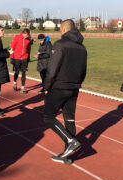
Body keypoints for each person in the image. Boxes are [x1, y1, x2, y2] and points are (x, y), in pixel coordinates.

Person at [43, 19, 87, 164]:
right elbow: (84, 71)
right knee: (69, 118)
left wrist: (47, 87)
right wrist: (77, 83)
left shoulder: (60, 45)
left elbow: (52, 69)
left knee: (48, 116)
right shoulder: (82, 48)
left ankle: (69, 140)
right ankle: (67, 154)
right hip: (74, 87)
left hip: (59, 87)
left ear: (63, 29)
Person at [10, 29, 32, 94]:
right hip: (17, 58)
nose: (28, 36)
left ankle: (22, 87)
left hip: (24, 58)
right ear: (24, 33)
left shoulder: (28, 40)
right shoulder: (17, 37)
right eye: (28, 35)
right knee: (16, 72)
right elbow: (12, 47)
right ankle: (14, 82)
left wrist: (28, 57)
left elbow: (28, 49)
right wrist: (11, 57)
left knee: (24, 73)